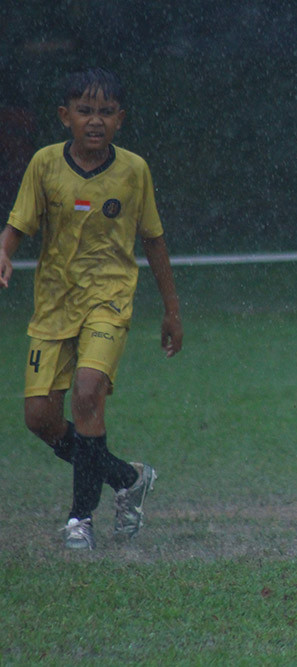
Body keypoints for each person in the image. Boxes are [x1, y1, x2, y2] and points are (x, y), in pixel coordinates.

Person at [0, 68, 182, 550]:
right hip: (54, 305)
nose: (95, 120)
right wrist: (4, 249)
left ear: (120, 120)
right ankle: (127, 478)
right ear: (65, 117)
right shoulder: (44, 164)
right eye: (84, 111)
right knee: (39, 417)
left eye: (105, 112)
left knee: (86, 394)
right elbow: (18, 223)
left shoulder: (134, 170)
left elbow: (154, 240)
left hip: (109, 299)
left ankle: (80, 519)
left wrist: (172, 310)